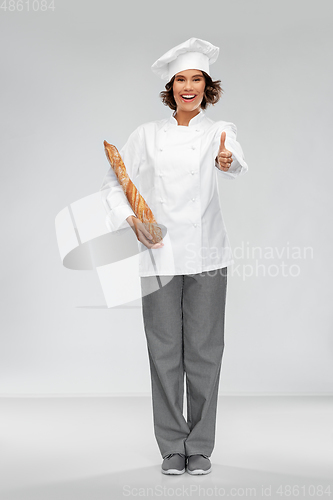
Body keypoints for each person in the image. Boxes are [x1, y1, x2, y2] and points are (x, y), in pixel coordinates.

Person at [100, 38, 248, 475]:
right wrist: (132, 222)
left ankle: (199, 444)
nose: (189, 87)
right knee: (164, 351)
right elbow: (115, 182)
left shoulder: (221, 131)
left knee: (205, 351)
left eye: (196, 79)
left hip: (208, 255)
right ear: (171, 86)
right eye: (181, 79)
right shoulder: (146, 135)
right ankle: (171, 445)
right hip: (158, 255)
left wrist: (227, 161)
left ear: (207, 86)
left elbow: (235, 160)